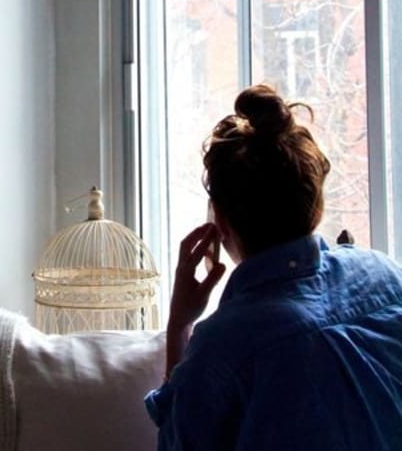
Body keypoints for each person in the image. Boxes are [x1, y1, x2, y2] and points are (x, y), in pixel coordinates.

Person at [145, 83, 402, 450]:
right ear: (314, 203)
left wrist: (180, 324)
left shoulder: (225, 344)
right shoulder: (385, 274)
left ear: (220, 220)